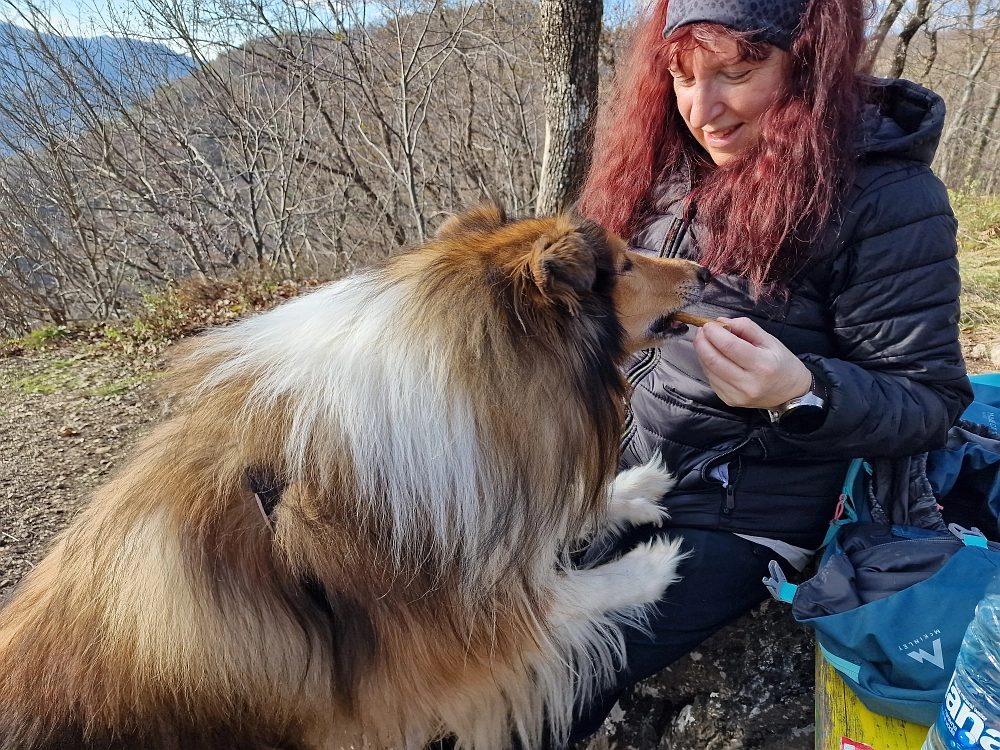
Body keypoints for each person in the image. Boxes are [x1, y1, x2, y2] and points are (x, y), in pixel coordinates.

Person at [572, 0, 975, 738]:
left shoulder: (884, 197)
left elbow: (929, 398)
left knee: (556, 669)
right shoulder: (663, 167)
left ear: (807, 64)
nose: (704, 109)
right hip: (618, 468)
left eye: (738, 72)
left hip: (744, 514)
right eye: (682, 77)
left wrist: (802, 392)